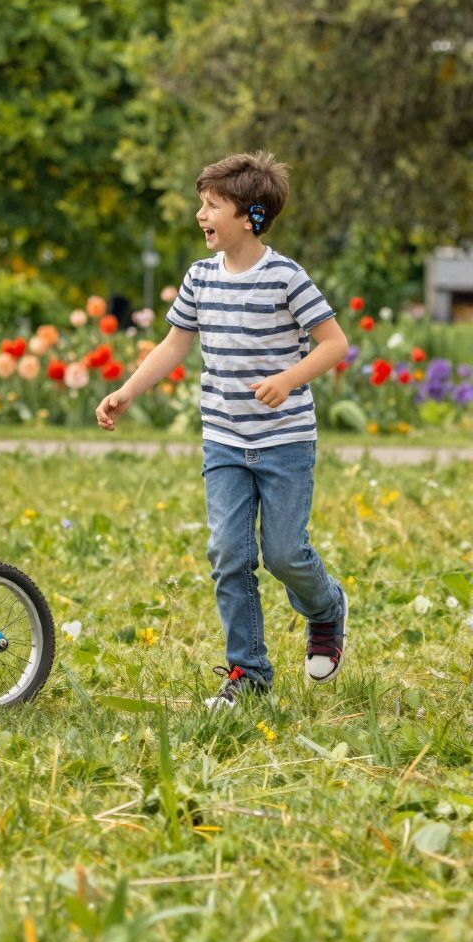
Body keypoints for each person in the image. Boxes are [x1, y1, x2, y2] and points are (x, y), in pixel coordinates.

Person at [98, 152, 348, 707]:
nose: (200, 215)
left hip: (284, 442)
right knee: (228, 554)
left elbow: (334, 344)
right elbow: (173, 345)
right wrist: (128, 390)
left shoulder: (286, 277)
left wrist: (289, 378)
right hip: (225, 442)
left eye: (213, 205)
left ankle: (327, 609)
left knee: (283, 554)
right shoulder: (200, 277)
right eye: (201, 203)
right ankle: (249, 674)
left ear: (250, 216)